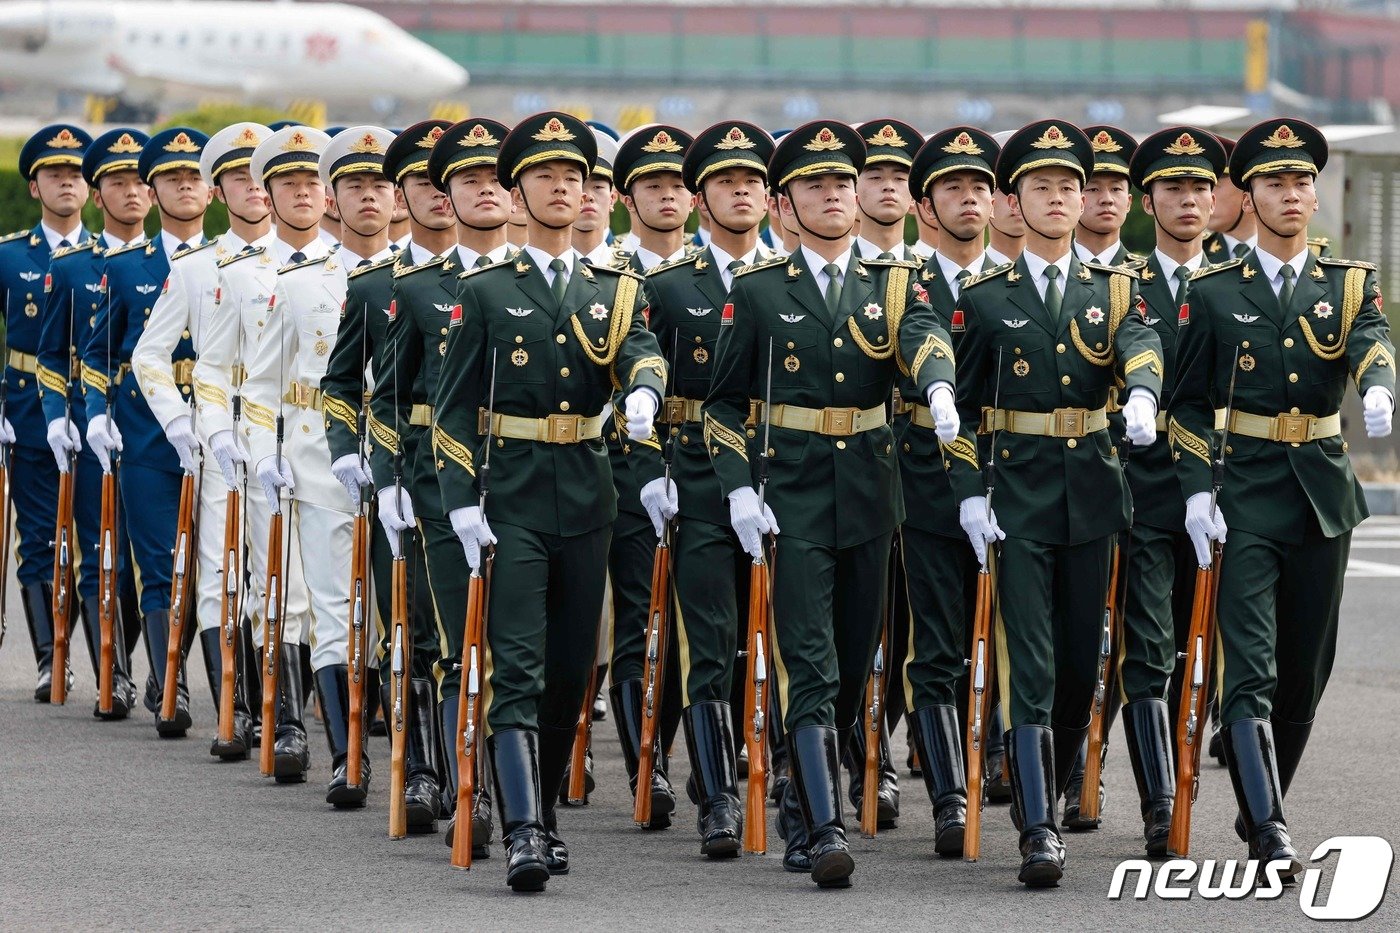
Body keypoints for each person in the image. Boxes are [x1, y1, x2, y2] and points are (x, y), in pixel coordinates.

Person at [703, 119, 953, 888]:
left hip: (872, 495)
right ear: (785, 206)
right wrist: (741, 487)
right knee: (806, 662)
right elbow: (722, 406)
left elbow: (922, 336)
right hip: (795, 494)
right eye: (817, 185)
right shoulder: (758, 291)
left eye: (844, 183)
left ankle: (797, 783)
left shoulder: (895, 280)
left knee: (849, 668)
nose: (837, 195)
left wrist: (937, 381)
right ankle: (824, 821)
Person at [434, 111, 666, 892]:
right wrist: (463, 499)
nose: (564, 187)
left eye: (575, 176)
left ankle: (541, 810)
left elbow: (643, 352)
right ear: (517, 190)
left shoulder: (616, 288)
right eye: (546, 176)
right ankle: (524, 826)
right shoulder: (487, 289)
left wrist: (641, 390)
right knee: (520, 664)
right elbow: (452, 407)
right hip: (513, 491)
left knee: (573, 667)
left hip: (589, 490)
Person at [1169, 118, 1394, 879]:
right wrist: (1199, 490)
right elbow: (1188, 403)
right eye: (1275, 183)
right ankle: (1269, 825)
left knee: (1307, 668)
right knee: (1252, 666)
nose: (1293, 194)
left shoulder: (1349, 283)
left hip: (1323, 493)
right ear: (1249, 195)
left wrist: (1380, 389)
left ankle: (1261, 792)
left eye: (1302, 182)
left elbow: (1371, 343)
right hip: (1248, 490)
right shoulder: (1213, 290)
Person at [946, 119, 1164, 887]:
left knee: (1082, 664)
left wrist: (1141, 391)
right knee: (1031, 661)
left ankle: (1057, 772)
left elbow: (1141, 345)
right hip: (1018, 493)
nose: (1061, 199)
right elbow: (962, 411)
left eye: (1070, 187)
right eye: (1042, 187)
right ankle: (1039, 826)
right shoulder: (983, 296)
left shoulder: (1117, 288)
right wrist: (970, 495)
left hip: (1094, 493)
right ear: (1015, 200)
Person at [632, 119, 775, 857]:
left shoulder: (789, 279)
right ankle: (718, 795)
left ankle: (788, 773)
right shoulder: (665, 285)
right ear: (701, 196)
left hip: (786, 470)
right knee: (711, 641)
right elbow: (645, 379)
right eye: (725, 181)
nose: (741, 190)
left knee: (788, 645)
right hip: (694, 474)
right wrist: (656, 474)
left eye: (752, 179)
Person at [245, 125, 397, 803]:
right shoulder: (299, 283)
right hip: (317, 458)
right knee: (334, 611)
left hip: (406, 462)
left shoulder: (423, 279)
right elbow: (260, 384)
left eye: (381, 185)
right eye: (355, 186)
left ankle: (412, 753)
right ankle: (347, 751)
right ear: (332, 200)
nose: (370, 197)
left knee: (400, 614)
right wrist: (264, 456)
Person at [1105, 125, 1227, 855]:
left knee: (1201, 645)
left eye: (1202, 188)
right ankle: (1158, 801)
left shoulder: (1241, 282)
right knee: (1147, 648)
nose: (1189, 199)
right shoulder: (1122, 286)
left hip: (1223, 492)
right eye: (1175, 188)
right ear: (1148, 200)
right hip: (1145, 492)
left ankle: (1201, 777)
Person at [135, 122, 275, 757]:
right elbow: (149, 355)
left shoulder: (309, 263)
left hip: (287, 437)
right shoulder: (196, 268)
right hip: (218, 435)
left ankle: (282, 711)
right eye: (239, 178)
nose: (254, 189)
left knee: (284, 576)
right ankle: (234, 710)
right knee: (222, 573)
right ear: (219, 191)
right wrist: (180, 422)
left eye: (261, 176)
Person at [194, 125, 324, 775]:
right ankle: (287, 720)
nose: (303, 194)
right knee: (279, 588)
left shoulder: (350, 268)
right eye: (288, 184)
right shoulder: (240, 274)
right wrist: (221, 434)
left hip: (339, 444)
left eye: (312, 182)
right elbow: (213, 370)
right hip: (265, 442)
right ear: (267, 194)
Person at [82, 127, 212, 737]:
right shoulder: (126, 266)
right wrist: (96, 413)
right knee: (158, 565)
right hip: (146, 433)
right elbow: (93, 354)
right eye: (171, 179)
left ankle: (224, 687)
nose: (185, 186)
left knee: (214, 565)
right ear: (154, 192)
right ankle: (170, 681)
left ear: (212, 191)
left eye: (195, 177)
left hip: (220, 433)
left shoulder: (233, 264)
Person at [897, 125, 1001, 857]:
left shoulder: (1022, 278)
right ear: (924, 205)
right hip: (925, 479)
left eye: (981, 187)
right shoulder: (898, 281)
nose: (971, 199)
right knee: (938, 642)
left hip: (1012, 477)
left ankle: (1003, 755)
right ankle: (947, 792)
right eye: (954, 188)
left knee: (1009, 636)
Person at [602, 123, 696, 830]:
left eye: (676, 185)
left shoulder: (715, 271)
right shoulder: (607, 273)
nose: (666, 195)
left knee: (701, 624)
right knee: (640, 614)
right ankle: (646, 763)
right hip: (627, 462)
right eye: (651, 186)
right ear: (626, 198)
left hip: (704, 463)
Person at [39, 128, 149, 720]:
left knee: (152, 558)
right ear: (97, 194)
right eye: (117, 182)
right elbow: (54, 354)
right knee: (101, 553)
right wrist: (59, 418)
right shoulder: (72, 266)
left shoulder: (170, 263)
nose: (131, 192)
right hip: (90, 428)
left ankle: (143, 661)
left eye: (138, 181)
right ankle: (114, 668)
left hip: (152, 424)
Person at [2, 124, 93, 701]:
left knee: (100, 535)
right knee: (38, 536)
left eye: (77, 174)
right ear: (35, 186)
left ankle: (112, 657)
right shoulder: (10, 256)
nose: (67, 182)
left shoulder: (110, 256)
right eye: (54, 174)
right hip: (29, 407)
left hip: (99, 407)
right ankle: (49, 657)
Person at [1072, 126, 1139, 269]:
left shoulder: (1145, 278)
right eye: (1093, 189)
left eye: (1116, 189)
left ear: (1128, 202)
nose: (1107, 199)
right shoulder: (1052, 275)